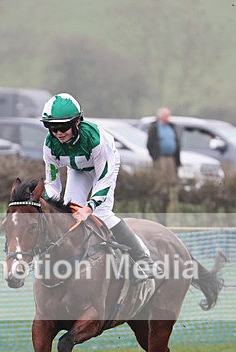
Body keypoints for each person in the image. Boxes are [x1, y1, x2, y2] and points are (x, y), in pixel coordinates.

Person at [40, 93, 156, 282]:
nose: (58, 133)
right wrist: (45, 204)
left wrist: (89, 207)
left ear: (77, 122)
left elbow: (104, 178)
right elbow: (52, 184)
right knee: (70, 214)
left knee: (101, 213)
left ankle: (143, 259)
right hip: (77, 170)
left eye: (63, 127)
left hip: (104, 169)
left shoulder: (95, 140)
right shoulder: (50, 144)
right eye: (51, 127)